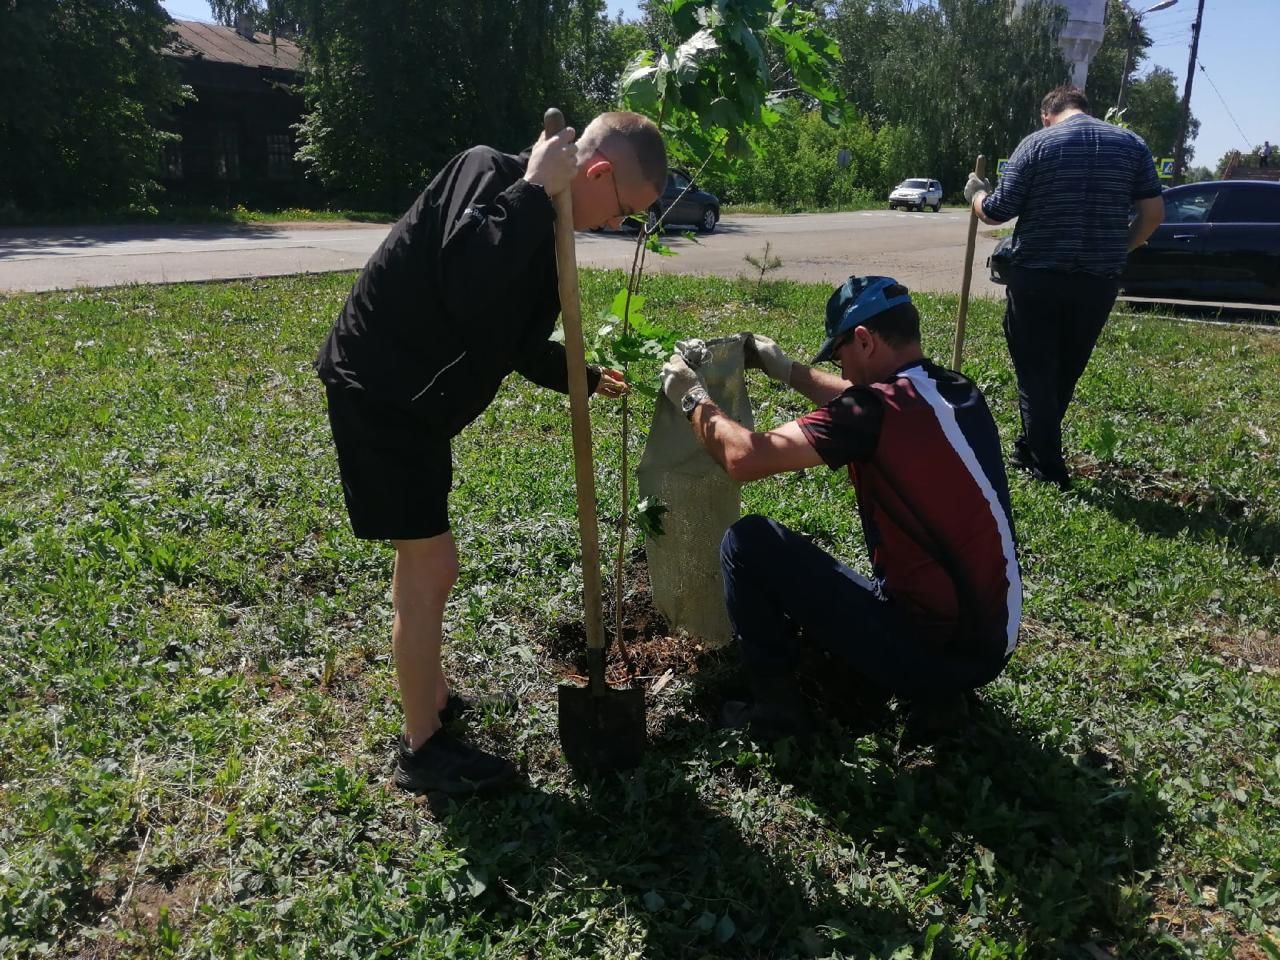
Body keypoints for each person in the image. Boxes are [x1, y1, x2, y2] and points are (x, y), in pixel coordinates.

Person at [315, 112, 666, 795]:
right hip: (383, 393)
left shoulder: (544, 226)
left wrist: (582, 376)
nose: (622, 227)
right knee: (432, 563)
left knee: (422, 562)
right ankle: (423, 749)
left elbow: (510, 337)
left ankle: (433, 697)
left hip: (416, 406)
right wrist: (534, 189)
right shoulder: (493, 177)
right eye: (627, 211)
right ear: (596, 175)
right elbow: (467, 280)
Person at [658, 276, 1022, 740]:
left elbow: (743, 458)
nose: (843, 370)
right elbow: (856, 402)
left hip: (930, 653)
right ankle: (940, 695)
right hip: (989, 647)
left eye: (839, 354)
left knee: (748, 542)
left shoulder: (872, 414)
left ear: (864, 340)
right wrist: (786, 370)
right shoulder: (954, 391)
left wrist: (692, 397)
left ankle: (777, 711)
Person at [964, 85, 1164, 489]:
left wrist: (976, 194)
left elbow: (998, 211)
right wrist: (1117, 247)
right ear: (1084, 108)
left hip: (1037, 277)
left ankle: (1048, 469)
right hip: (1098, 281)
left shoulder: (1038, 144)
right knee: (1064, 371)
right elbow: (1153, 215)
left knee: (1036, 372)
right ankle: (1030, 446)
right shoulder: (1132, 145)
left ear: (1046, 115)